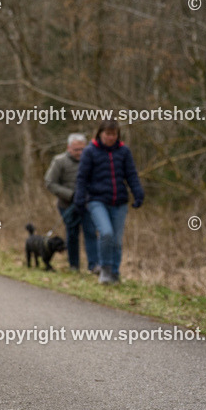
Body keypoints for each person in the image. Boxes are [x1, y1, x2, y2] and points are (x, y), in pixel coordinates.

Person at [73, 119, 144, 285]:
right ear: (100, 133)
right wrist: (79, 198)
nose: (110, 137)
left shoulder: (124, 151)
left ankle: (115, 272)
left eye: (114, 134)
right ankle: (104, 269)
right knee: (106, 233)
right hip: (97, 200)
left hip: (119, 201)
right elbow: (82, 178)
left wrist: (138, 193)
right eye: (107, 134)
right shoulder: (90, 151)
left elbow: (131, 175)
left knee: (117, 240)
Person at [44, 133, 98, 273]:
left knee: (91, 232)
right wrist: (70, 195)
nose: (80, 153)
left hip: (87, 204)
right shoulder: (59, 161)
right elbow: (49, 182)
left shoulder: (91, 160)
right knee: (72, 234)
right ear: (69, 148)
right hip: (67, 205)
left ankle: (94, 266)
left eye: (82, 149)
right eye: (76, 150)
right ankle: (74, 266)